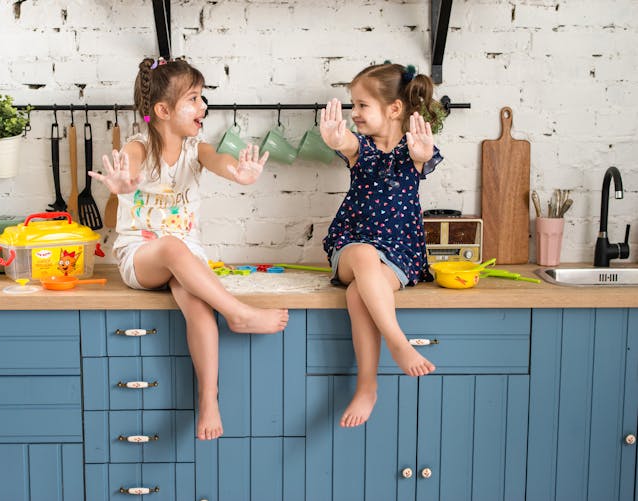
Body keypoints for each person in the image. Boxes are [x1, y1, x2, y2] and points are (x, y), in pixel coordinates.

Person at [89, 57, 289, 440]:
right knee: (172, 247)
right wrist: (124, 184)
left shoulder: (196, 149)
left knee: (198, 305)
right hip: (142, 256)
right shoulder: (139, 148)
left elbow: (219, 161)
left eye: (202, 98)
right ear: (163, 111)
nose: (203, 108)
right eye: (194, 99)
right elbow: (128, 169)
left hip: (184, 258)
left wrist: (238, 172)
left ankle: (209, 399)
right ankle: (239, 313)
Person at [319, 63, 444, 428]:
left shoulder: (412, 149)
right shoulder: (363, 148)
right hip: (351, 246)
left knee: (360, 293)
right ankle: (397, 341)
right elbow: (347, 143)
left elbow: (422, 159)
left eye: (362, 105)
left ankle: (367, 386)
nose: (353, 113)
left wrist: (421, 155)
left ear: (394, 109)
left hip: (399, 253)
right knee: (363, 254)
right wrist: (335, 139)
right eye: (352, 105)